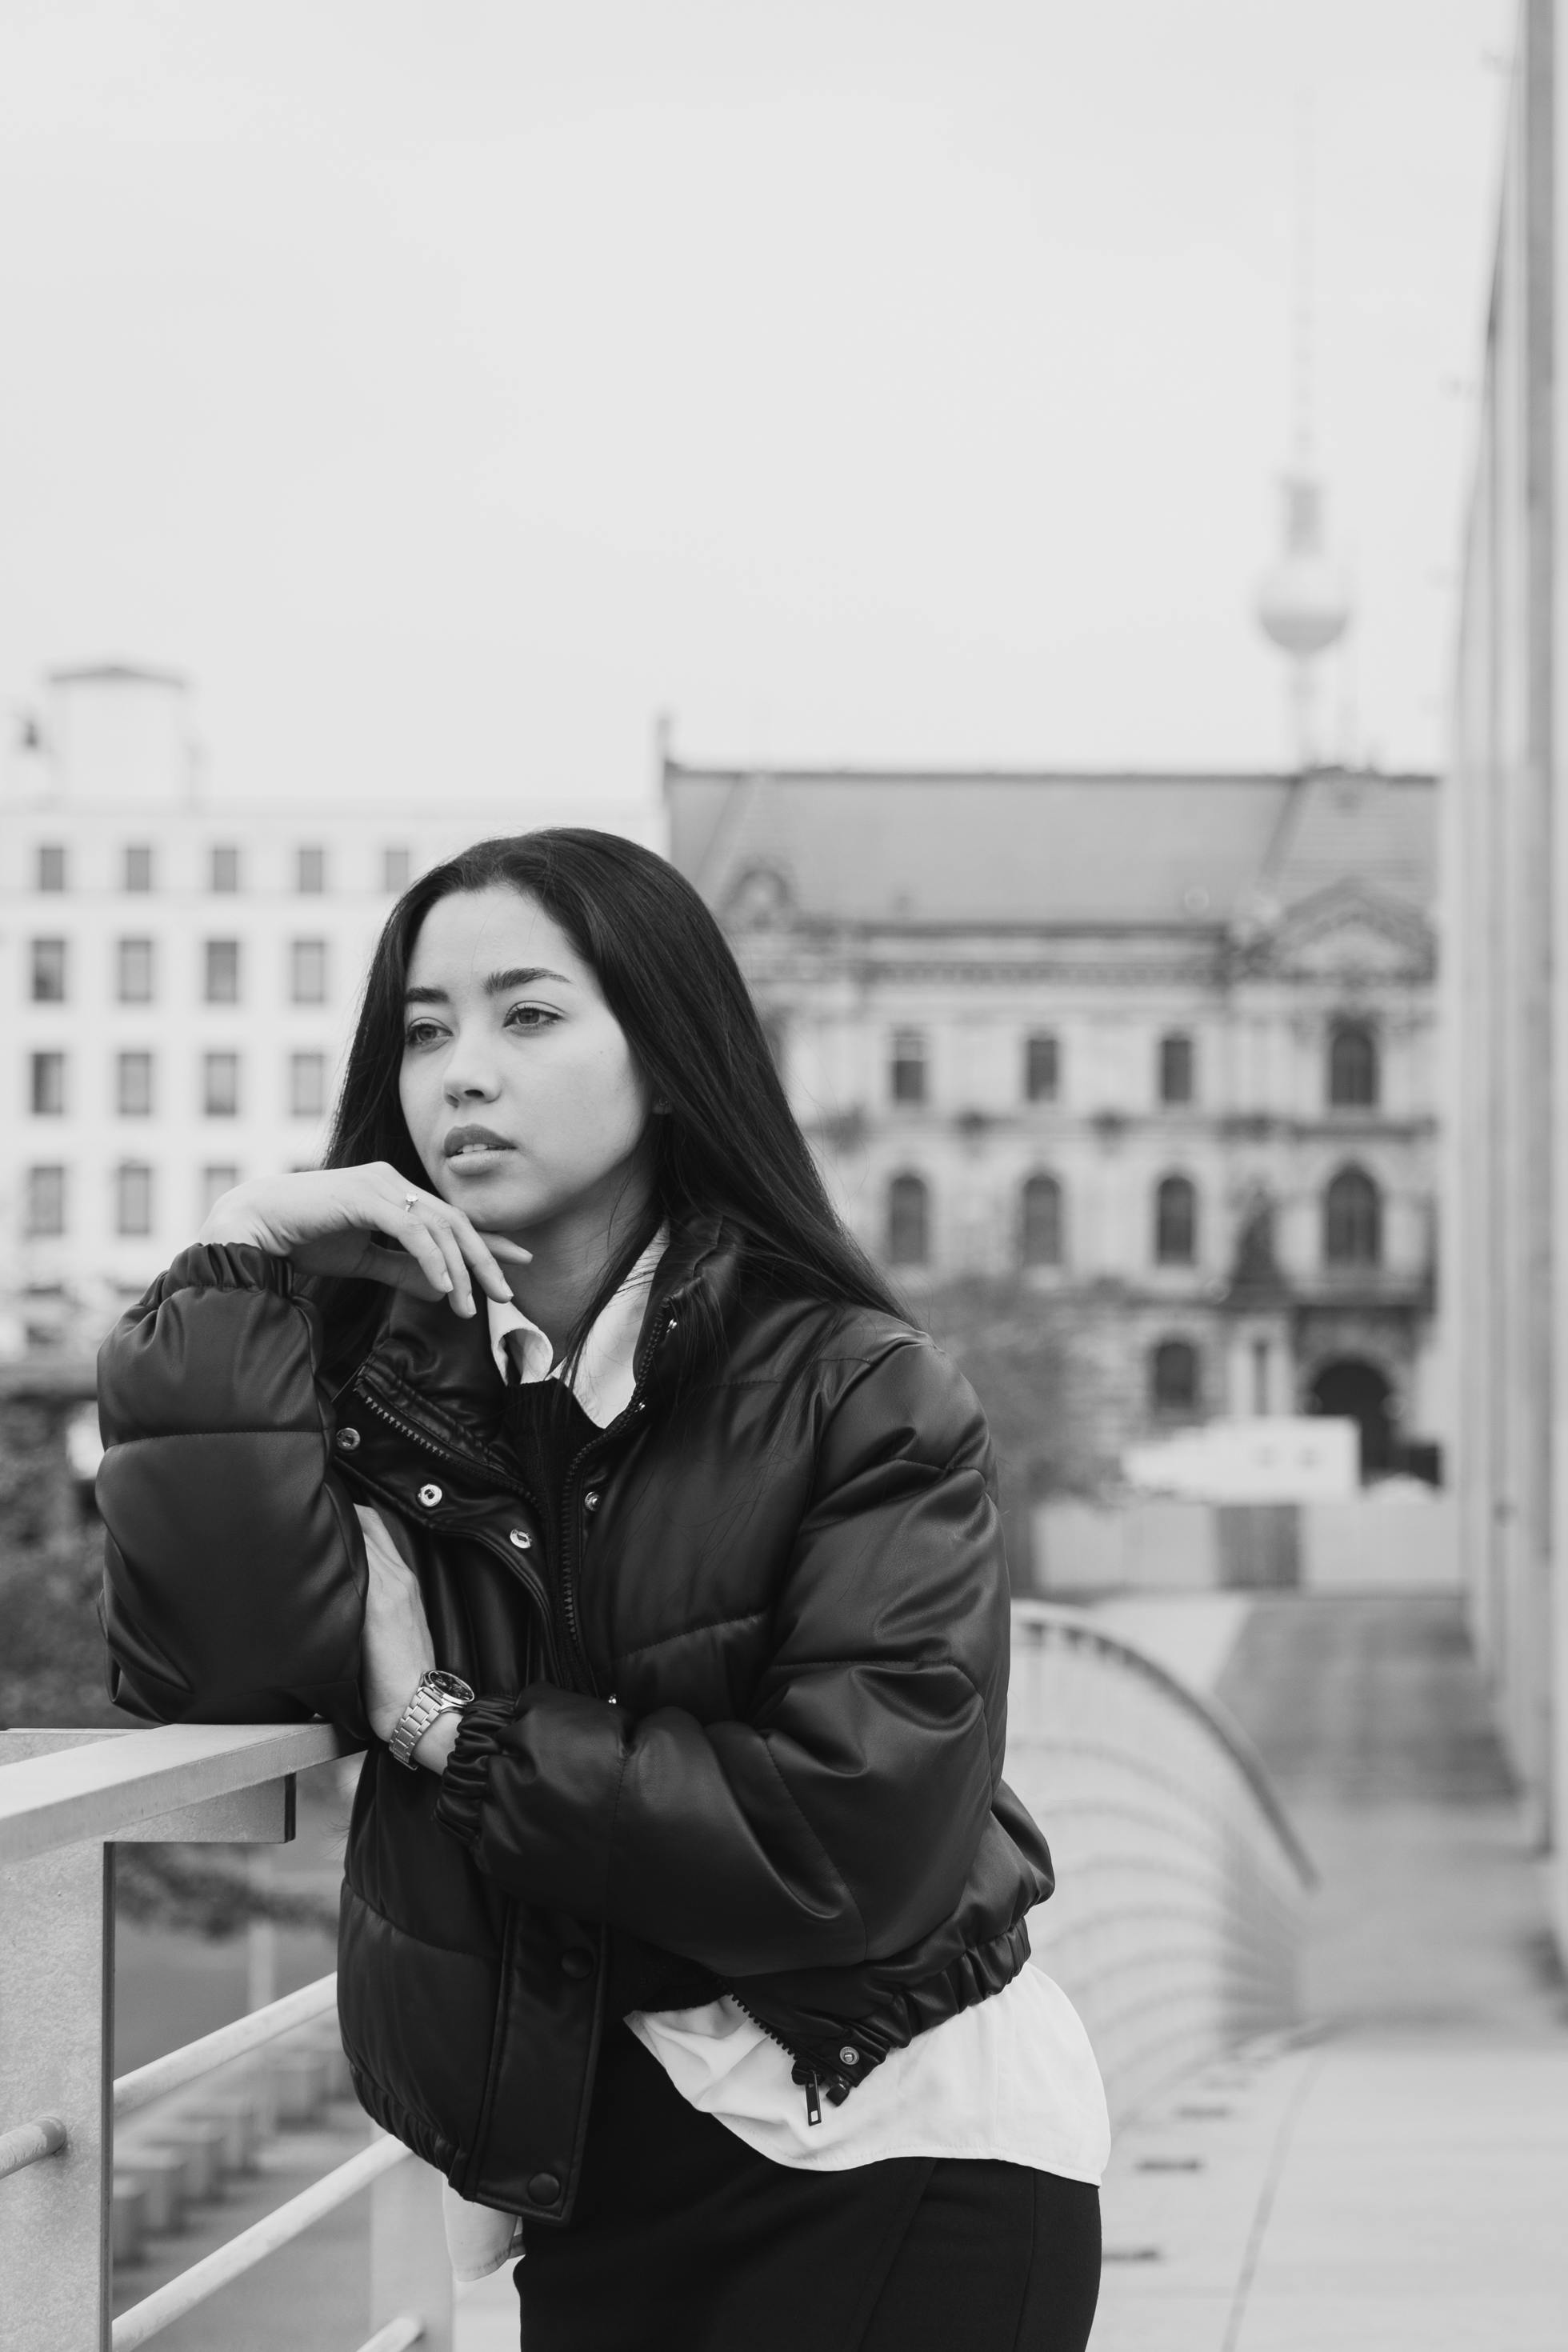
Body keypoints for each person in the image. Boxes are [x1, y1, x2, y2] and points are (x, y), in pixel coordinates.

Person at [97, 829, 1108, 2352]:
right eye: (424, 1030)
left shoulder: (861, 1393)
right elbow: (216, 1676)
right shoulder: (403, 1398)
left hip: (888, 2141)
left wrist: (445, 1721)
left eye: (529, 1014)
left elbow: (852, 1835)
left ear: (669, 1055)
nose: (462, 1074)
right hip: (592, 2174)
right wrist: (241, 1258)